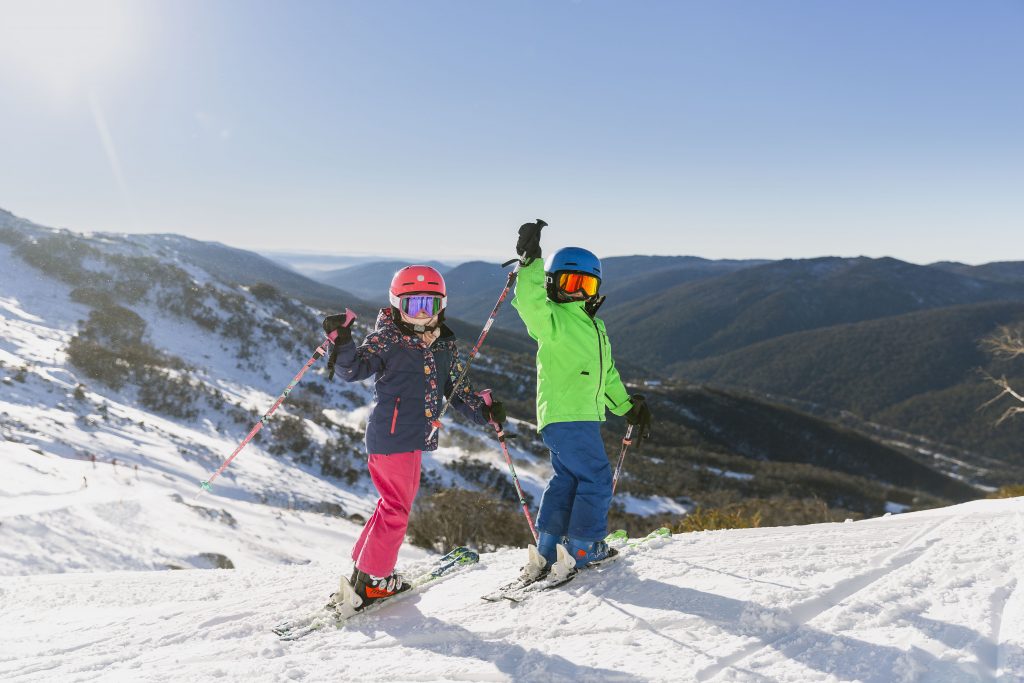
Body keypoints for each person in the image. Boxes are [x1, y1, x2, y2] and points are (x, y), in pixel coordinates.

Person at [322, 265, 506, 610]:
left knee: (389, 504)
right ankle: (375, 580)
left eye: (430, 306)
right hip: (391, 437)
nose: (422, 315)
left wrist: (484, 410)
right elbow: (352, 370)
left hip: (408, 438)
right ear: (396, 305)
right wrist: (343, 343)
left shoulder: (444, 345)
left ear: (442, 306)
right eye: (412, 306)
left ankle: (365, 571)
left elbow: (457, 390)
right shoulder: (388, 339)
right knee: (396, 509)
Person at [511, 220, 653, 580]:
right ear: (552, 284)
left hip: (571, 417)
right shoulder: (553, 320)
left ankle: (549, 546)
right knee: (596, 479)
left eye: (585, 284)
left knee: (567, 480)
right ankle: (584, 547)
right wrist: (530, 264)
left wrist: (626, 406)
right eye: (568, 283)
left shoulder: (595, 327)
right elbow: (528, 303)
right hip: (568, 415)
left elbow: (606, 375)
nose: (576, 292)